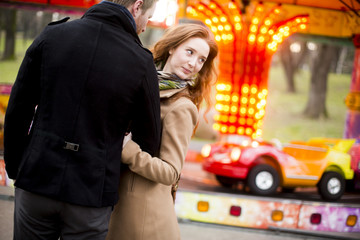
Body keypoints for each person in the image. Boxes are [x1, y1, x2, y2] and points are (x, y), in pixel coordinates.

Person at [4, 0, 161, 239]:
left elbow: (18, 108)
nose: (144, 27)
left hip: (37, 177)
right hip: (92, 193)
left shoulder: (53, 35)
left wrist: (18, 167)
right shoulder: (141, 62)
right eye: (148, 17)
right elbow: (149, 140)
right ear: (137, 6)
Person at [106, 23, 219, 240]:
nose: (193, 63)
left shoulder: (182, 107)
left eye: (201, 59)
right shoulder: (144, 84)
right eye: (190, 52)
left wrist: (128, 149)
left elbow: (170, 172)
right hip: (116, 199)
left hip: (143, 216)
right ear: (172, 48)